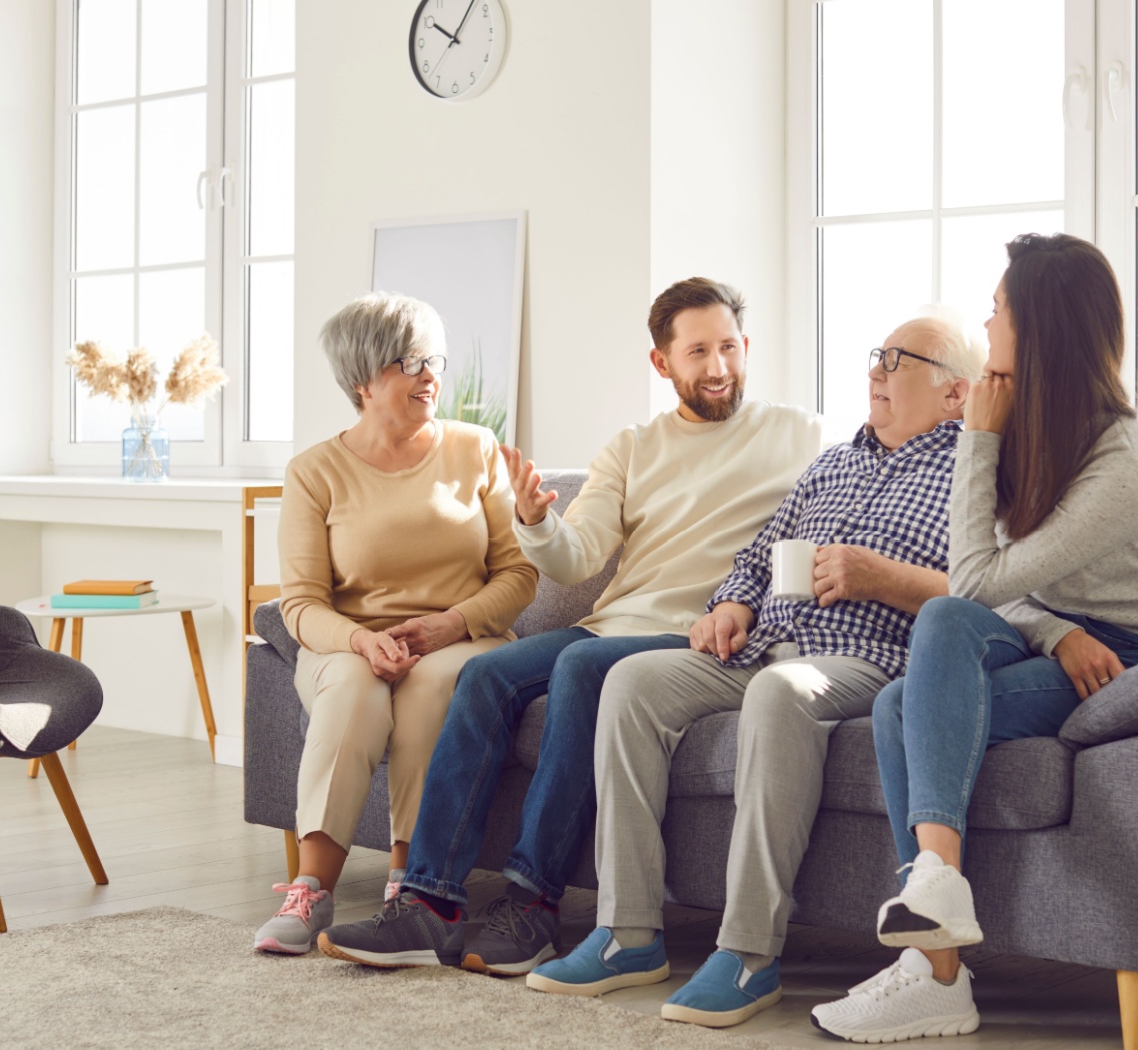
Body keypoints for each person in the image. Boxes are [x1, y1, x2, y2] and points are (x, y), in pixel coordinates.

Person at [316, 277, 823, 972]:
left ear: (746, 348)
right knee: (487, 672)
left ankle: (531, 905)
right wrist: (533, 519)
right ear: (662, 363)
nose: (717, 368)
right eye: (698, 351)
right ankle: (428, 904)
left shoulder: (802, 436)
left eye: (729, 348)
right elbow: (575, 555)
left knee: (584, 669)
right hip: (614, 625)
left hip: (706, 637)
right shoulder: (632, 449)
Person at [526, 315, 984, 1022]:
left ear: (955, 394)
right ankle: (629, 934)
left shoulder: (977, 474)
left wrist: (879, 576)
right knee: (631, 682)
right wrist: (732, 604)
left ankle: (747, 953)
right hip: (761, 645)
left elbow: (986, 592)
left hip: (866, 658)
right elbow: (756, 556)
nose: (875, 373)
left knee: (779, 692)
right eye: (875, 358)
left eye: (898, 361)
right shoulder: (834, 461)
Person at [812, 234, 1138, 1043]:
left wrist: (978, 440)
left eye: (997, 313)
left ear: (1041, 330)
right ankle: (937, 942)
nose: (987, 328)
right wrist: (1054, 632)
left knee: (900, 703)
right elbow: (978, 587)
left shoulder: (1126, 457)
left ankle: (934, 961)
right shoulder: (1022, 428)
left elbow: (981, 580)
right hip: (1054, 641)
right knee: (901, 696)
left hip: (1128, 654)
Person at [254, 293, 538, 955]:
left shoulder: (476, 450)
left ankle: (410, 887)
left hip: (464, 637)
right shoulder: (314, 472)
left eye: (433, 358)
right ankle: (310, 890)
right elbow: (298, 603)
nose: (429, 374)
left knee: (432, 686)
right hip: (347, 642)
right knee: (354, 690)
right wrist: (359, 640)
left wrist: (451, 624)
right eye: (409, 362)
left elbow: (519, 575)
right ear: (363, 382)